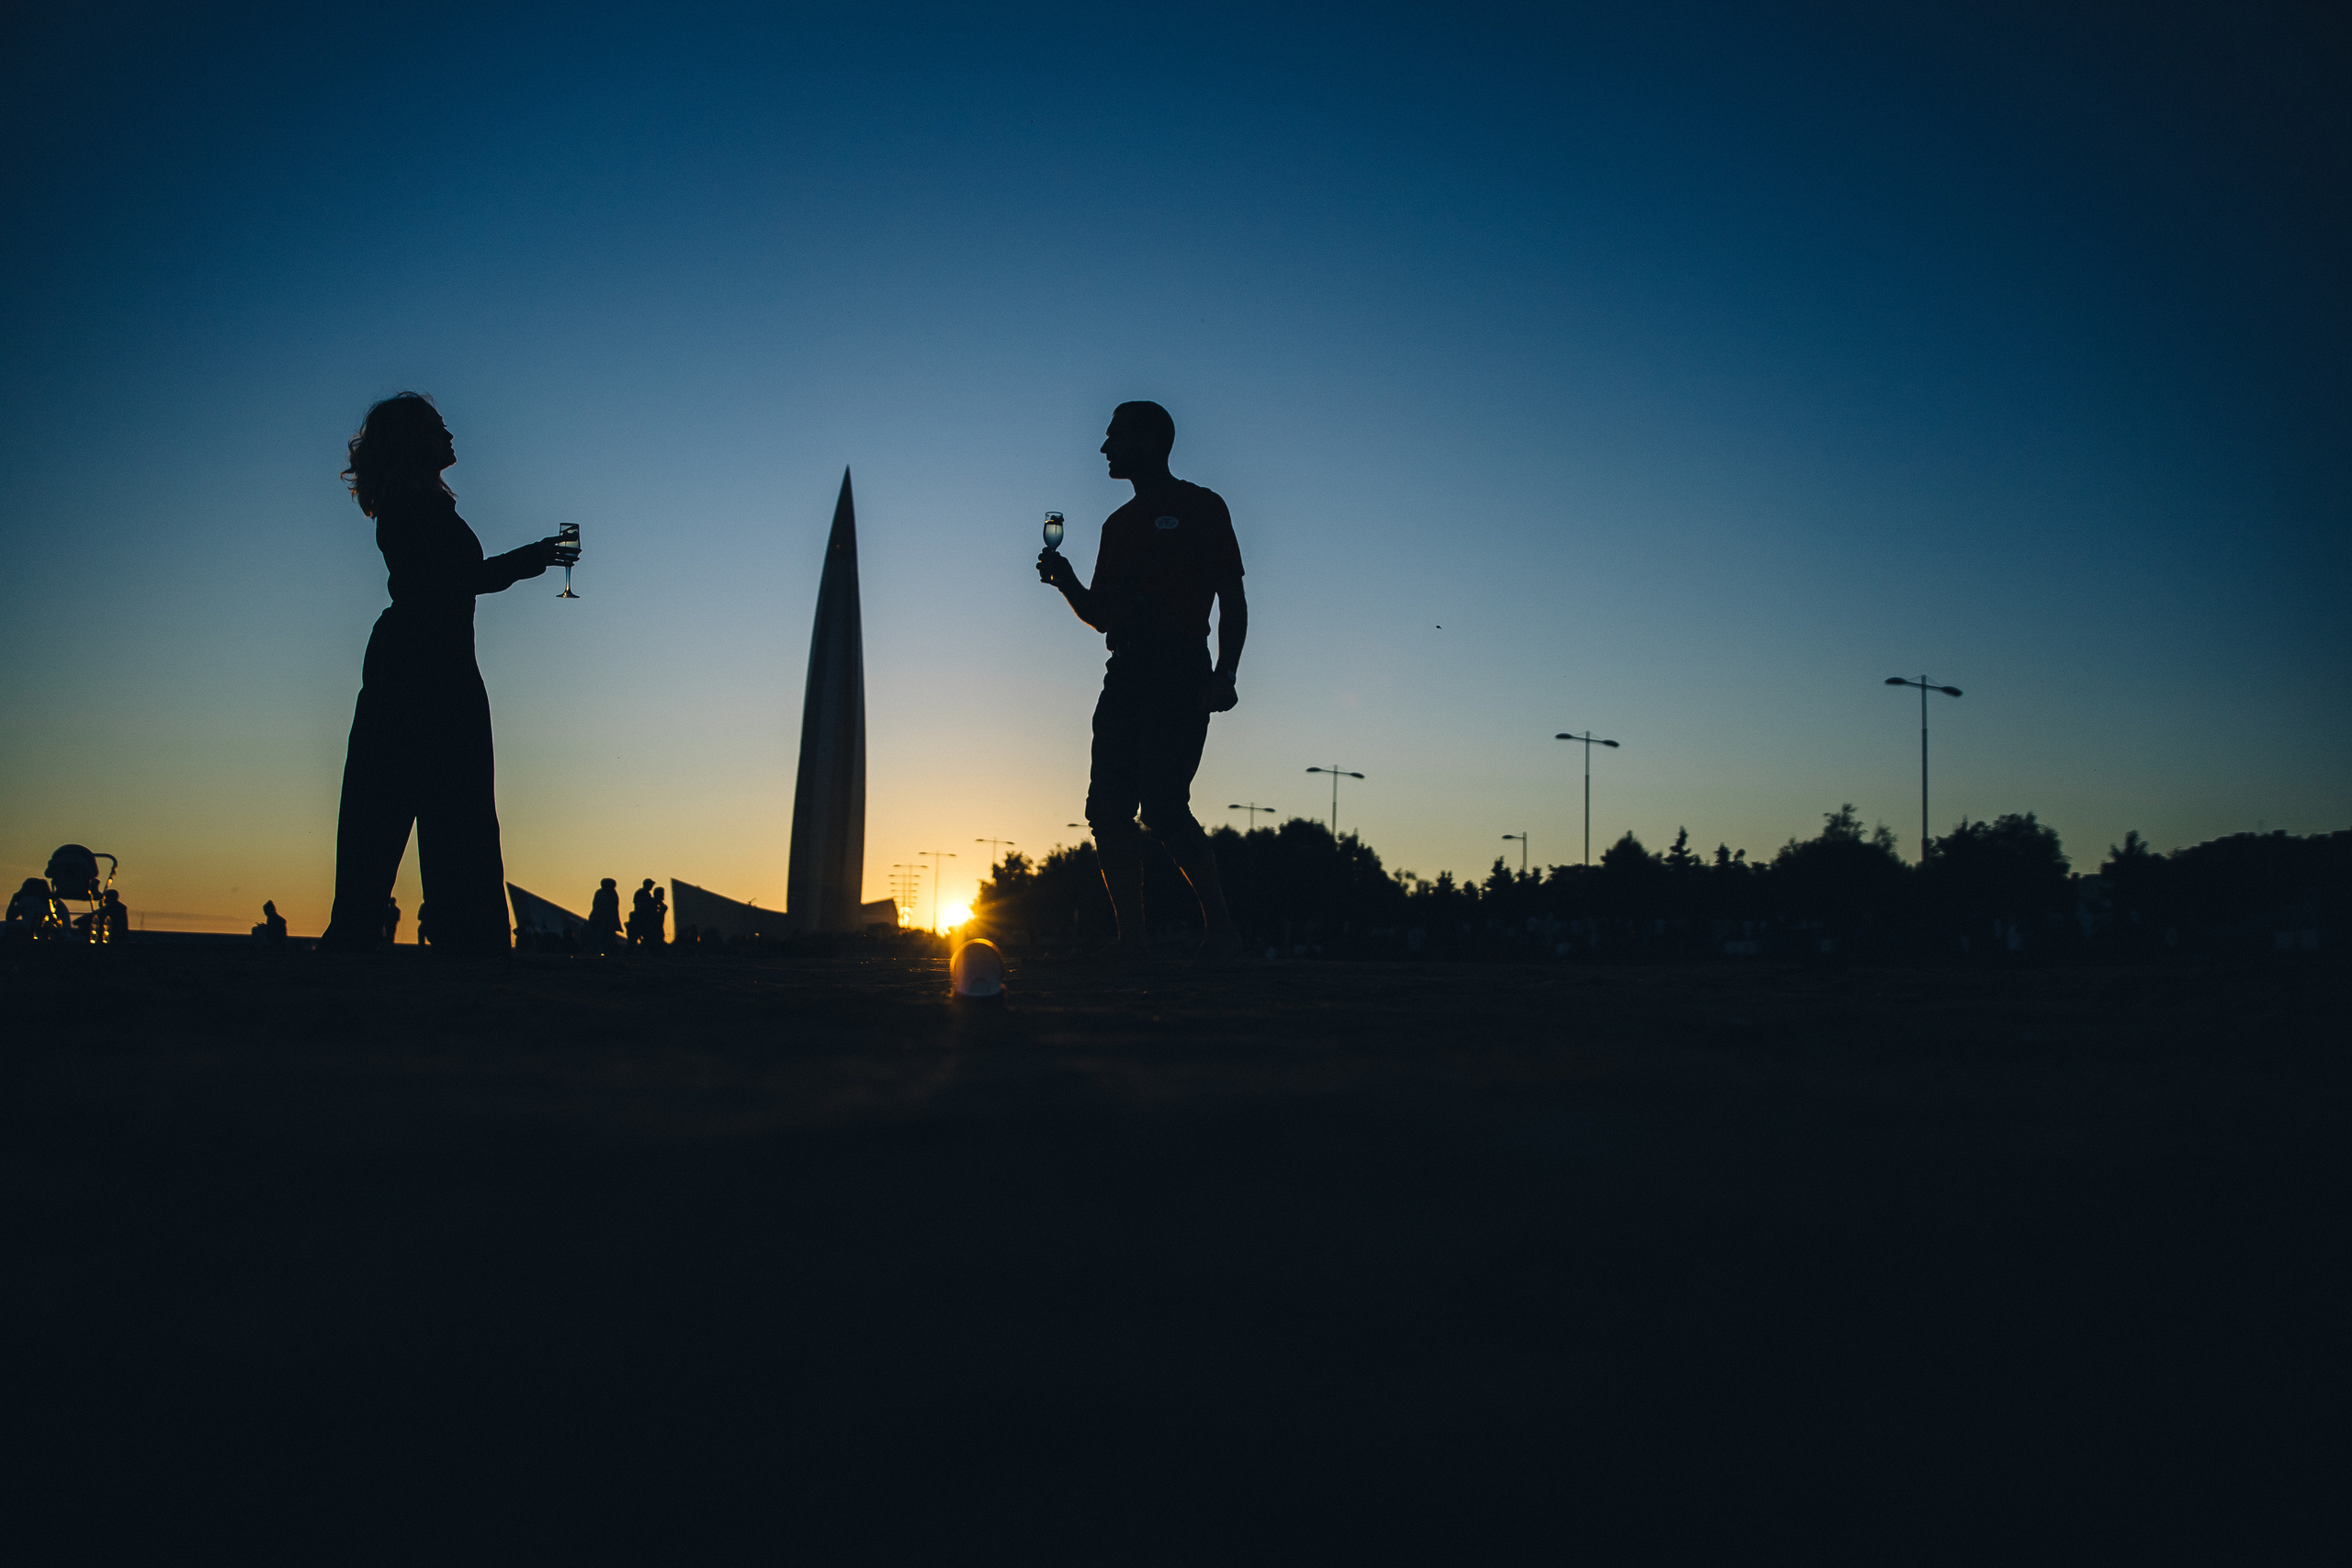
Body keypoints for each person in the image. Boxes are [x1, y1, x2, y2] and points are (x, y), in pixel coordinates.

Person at [318, 393, 565, 954]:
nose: (451, 437)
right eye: (437, 429)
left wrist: (517, 564)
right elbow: (446, 581)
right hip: (422, 661)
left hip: (435, 655)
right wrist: (525, 562)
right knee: (419, 798)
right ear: (412, 441)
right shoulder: (409, 508)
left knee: (423, 798)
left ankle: (450, 933)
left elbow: (451, 578)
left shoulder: (421, 505)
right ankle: (458, 936)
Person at [1037, 400, 1247, 964]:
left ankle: (1222, 932)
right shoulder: (1117, 525)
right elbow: (1103, 614)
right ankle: (1133, 941)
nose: (1105, 448)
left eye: (1115, 437)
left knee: (1162, 805)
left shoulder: (1202, 506)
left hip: (1179, 670)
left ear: (1150, 440)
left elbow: (1232, 597)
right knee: (1107, 809)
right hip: (1124, 674)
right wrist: (1065, 582)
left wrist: (1226, 672)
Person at [590, 878, 622, 955]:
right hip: (600, 919)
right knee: (598, 937)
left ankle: (609, 953)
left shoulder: (613, 894)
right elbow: (600, 907)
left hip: (609, 920)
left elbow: (614, 909)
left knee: (608, 938)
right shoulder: (601, 894)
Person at [628, 879, 656, 948]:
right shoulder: (641, 893)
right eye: (651, 885)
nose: (651, 887)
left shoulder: (646, 893)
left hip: (643, 919)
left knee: (646, 939)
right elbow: (639, 905)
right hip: (640, 919)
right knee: (635, 939)